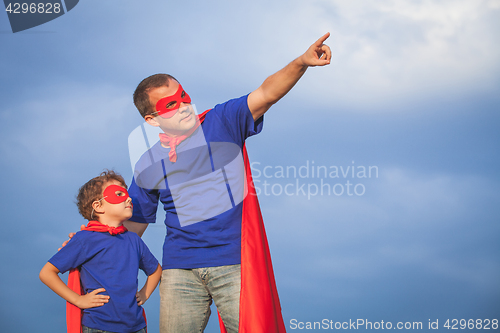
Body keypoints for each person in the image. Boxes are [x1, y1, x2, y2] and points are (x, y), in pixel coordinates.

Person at [62, 32, 331, 333]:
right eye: (170, 105)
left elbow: (267, 92)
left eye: (184, 97)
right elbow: (132, 225)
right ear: (152, 120)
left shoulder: (222, 121)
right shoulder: (149, 162)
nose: (184, 106)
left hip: (234, 263)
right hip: (179, 271)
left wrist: (301, 62)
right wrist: (91, 241)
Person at [41, 170, 162, 333]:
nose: (128, 198)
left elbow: (155, 270)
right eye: (119, 194)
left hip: (136, 327)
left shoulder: (134, 240)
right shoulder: (84, 239)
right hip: (98, 326)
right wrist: (78, 300)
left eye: (127, 194)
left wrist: (144, 294)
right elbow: (47, 272)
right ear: (98, 206)